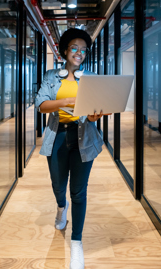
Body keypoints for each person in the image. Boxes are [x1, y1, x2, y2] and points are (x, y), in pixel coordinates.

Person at [35, 28, 108, 269]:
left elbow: (95, 111)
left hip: (84, 137)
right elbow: (42, 105)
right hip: (58, 137)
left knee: (79, 192)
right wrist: (66, 101)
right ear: (65, 50)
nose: (79, 53)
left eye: (83, 50)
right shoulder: (51, 76)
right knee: (58, 185)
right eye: (74, 48)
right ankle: (60, 207)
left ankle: (76, 243)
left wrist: (96, 115)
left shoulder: (92, 78)